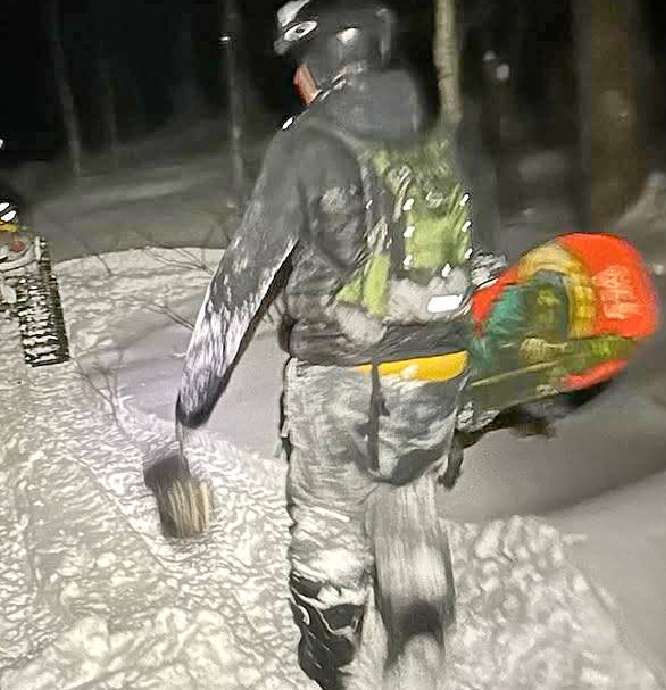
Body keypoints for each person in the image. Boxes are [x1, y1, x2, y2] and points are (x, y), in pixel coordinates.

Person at [169, 2, 475, 688]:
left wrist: (196, 393)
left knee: (328, 516)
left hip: (344, 368)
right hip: (440, 363)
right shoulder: (433, 135)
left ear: (331, 60)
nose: (297, 80)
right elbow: (475, 255)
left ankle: (331, 662)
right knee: (407, 497)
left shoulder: (307, 146)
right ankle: (419, 634)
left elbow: (245, 274)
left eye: (303, 66)